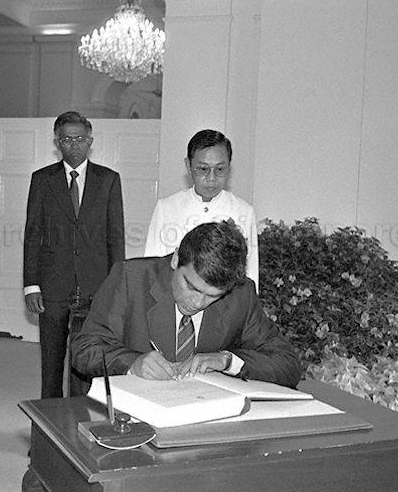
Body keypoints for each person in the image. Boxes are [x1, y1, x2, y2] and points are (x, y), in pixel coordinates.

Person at [72, 220, 300, 387]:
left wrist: (225, 360)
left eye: (213, 296)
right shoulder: (130, 278)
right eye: (190, 286)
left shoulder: (241, 294)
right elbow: (84, 349)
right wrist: (132, 363)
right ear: (175, 259)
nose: (197, 302)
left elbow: (287, 363)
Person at [23, 111, 125, 399]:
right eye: (66, 139)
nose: (74, 145)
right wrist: (31, 285)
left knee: (86, 365)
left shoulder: (109, 180)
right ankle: (46, 439)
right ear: (57, 142)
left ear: (90, 140)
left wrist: (116, 288)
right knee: (51, 366)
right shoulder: (42, 180)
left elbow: (115, 236)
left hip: (95, 288)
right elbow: (33, 234)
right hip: (53, 286)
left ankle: (78, 433)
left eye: (80, 138)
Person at [144, 129, 259, 288]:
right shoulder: (167, 208)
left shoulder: (243, 211)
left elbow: (250, 274)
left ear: (229, 168)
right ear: (189, 166)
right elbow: (152, 267)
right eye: (203, 169)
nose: (211, 178)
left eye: (220, 169)